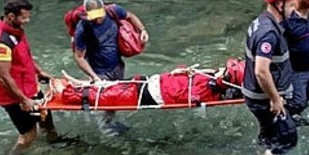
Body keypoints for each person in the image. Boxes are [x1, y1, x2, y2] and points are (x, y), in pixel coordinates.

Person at [0, 0, 59, 155]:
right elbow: (3, 77)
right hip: (16, 97)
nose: (27, 21)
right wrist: (23, 100)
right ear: (11, 16)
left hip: (31, 88)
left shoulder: (16, 30)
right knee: (28, 135)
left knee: (46, 119)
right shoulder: (1, 43)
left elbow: (24, 55)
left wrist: (39, 71)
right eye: (24, 18)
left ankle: (54, 142)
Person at [243, 0, 299, 155]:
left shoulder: (261, 22)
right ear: (279, 3)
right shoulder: (269, 33)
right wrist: (275, 99)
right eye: (291, 5)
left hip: (256, 95)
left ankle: (263, 149)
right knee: (287, 137)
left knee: (269, 131)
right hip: (263, 98)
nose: (294, 10)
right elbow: (261, 71)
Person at [72, 0, 149, 133]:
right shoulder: (83, 28)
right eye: (93, 16)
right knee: (104, 101)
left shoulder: (113, 11)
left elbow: (130, 16)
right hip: (99, 71)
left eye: (99, 15)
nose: (97, 19)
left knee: (114, 100)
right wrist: (94, 76)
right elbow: (79, 57)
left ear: (104, 8)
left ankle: (111, 122)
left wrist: (142, 30)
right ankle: (104, 129)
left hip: (117, 65)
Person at [54, 58, 245, 108]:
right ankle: (81, 84)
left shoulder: (207, 92)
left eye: (224, 69)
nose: (220, 68)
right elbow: (178, 80)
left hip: (145, 95)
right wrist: (181, 72)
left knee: (103, 96)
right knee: (110, 84)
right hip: (148, 82)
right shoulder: (207, 77)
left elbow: (177, 96)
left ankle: (66, 94)